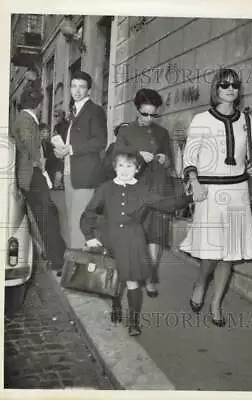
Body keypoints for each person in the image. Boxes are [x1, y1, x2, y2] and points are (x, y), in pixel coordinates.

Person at [80, 147, 192, 336]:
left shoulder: (142, 189)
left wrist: (189, 197)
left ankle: (133, 321)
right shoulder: (105, 189)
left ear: (137, 169)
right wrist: (89, 237)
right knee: (114, 279)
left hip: (133, 240)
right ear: (115, 167)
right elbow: (88, 213)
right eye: (121, 165)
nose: (124, 170)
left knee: (132, 282)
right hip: (110, 238)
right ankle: (116, 306)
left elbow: (166, 203)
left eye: (129, 166)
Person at [180, 68, 252, 327]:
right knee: (212, 252)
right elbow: (189, 156)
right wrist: (195, 182)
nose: (230, 89)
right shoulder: (201, 120)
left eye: (234, 85)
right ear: (216, 89)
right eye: (224, 84)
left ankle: (216, 304)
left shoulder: (247, 121)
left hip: (237, 193)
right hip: (210, 192)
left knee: (230, 254)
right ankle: (200, 283)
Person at [114, 88, 174, 297]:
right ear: (137, 109)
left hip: (158, 187)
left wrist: (165, 159)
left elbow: (169, 159)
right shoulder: (125, 132)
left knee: (155, 236)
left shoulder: (162, 133)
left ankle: (150, 278)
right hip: (133, 189)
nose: (149, 118)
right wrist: (138, 156)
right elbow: (118, 159)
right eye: (145, 113)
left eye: (153, 114)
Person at [11, 84, 66, 271]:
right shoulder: (27, 119)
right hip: (32, 176)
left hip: (31, 175)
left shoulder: (24, 118)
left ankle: (54, 253)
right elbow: (27, 141)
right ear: (38, 104)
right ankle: (56, 259)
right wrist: (38, 160)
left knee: (48, 214)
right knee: (47, 217)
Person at [54, 71, 107, 248]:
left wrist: (71, 149)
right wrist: (61, 151)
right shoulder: (73, 112)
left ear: (89, 90)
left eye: (82, 87)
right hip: (70, 172)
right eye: (74, 86)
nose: (77, 90)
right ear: (70, 88)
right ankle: (75, 263)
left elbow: (100, 142)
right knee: (71, 221)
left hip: (85, 175)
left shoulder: (95, 111)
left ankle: (79, 267)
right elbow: (71, 141)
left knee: (79, 223)